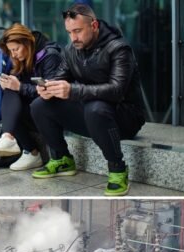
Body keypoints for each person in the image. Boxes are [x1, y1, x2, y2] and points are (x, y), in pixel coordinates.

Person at [29, 3, 146, 196]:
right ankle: (61, 159)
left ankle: (118, 169)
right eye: (69, 32)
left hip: (125, 118)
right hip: (92, 115)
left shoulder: (119, 49)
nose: (73, 37)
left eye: (78, 31)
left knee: (95, 108)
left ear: (94, 25)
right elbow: (61, 78)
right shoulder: (70, 50)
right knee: (40, 105)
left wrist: (73, 91)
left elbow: (116, 90)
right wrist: (49, 88)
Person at [0, 23, 62, 171]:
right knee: (10, 90)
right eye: (10, 51)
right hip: (33, 109)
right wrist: (9, 83)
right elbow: (17, 87)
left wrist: (20, 87)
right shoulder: (21, 58)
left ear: (27, 43)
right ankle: (12, 140)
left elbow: (51, 93)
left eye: (16, 49)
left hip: (52, 110)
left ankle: (22, 146)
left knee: (15, 90)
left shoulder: (50, 56)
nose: (13, 55)